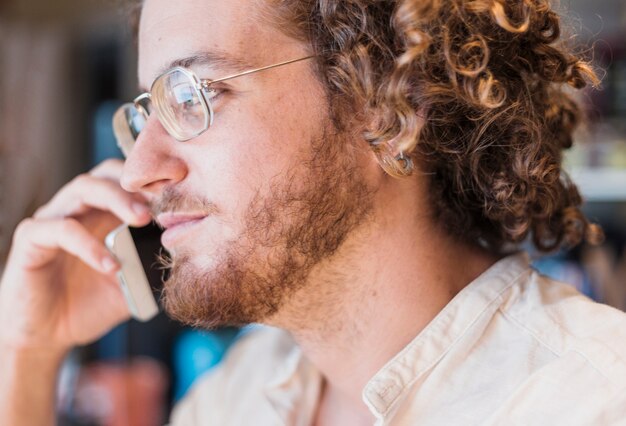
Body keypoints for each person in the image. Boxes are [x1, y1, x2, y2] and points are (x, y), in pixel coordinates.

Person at [1, 0, 625, 424]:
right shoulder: (236, 397)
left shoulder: (591, 399)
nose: (139, 170)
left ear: (382, 104)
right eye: (146, 113)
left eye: (194, 95)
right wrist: (26, 354)